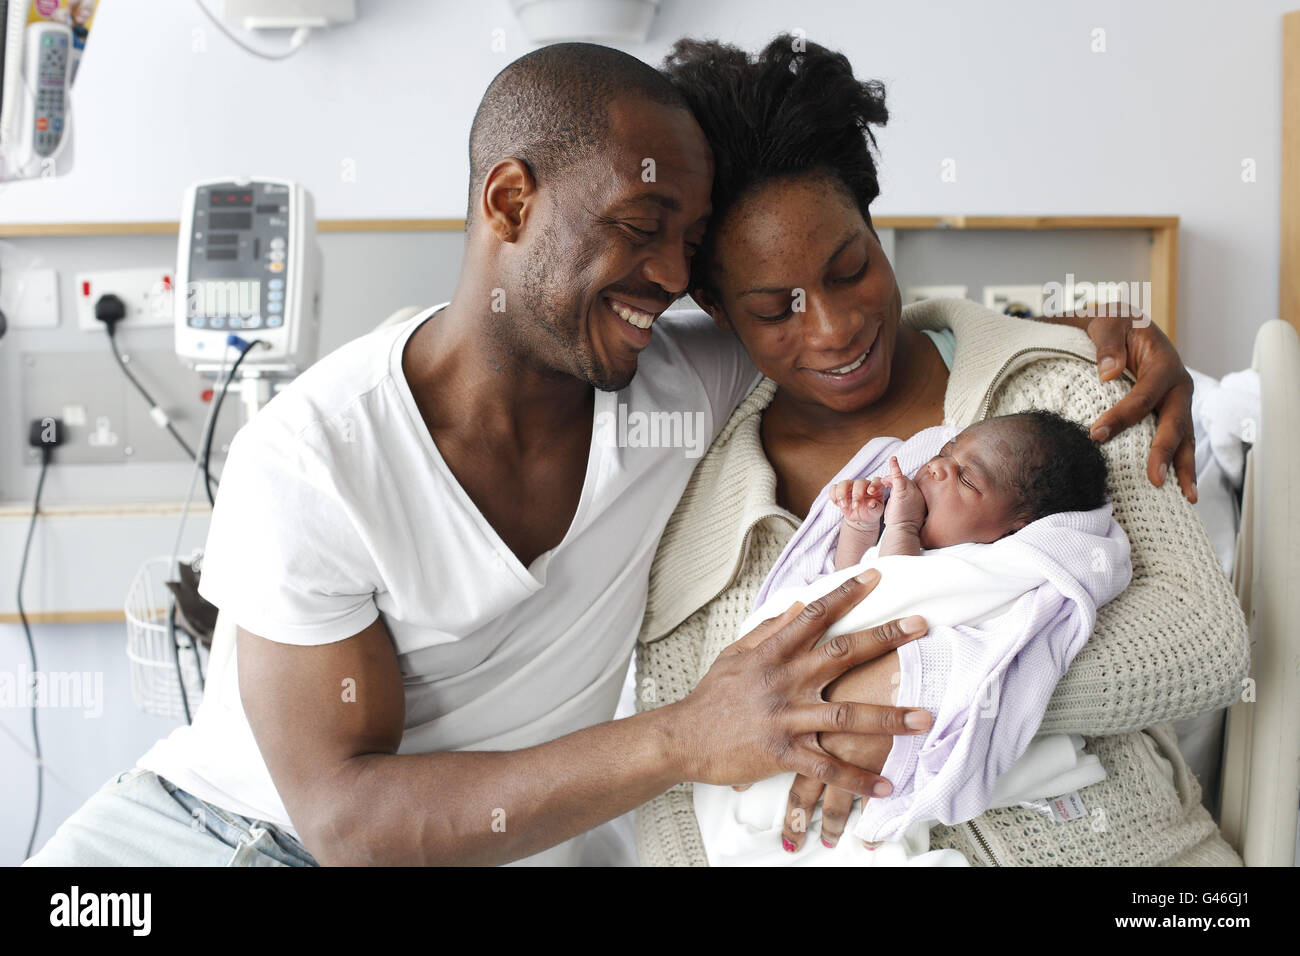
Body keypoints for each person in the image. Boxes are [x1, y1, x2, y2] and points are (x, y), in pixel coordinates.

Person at [25, 42, 934, 868]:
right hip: (201, 837)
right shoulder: (316, 459)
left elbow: (866, 336)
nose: (668, 277)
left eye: (688, 244)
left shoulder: (679, 390)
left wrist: (1065, 333)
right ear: (510, 201)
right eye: (639, 223)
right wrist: (688, 737)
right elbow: (347, 819)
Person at [635, 35, 1249, 866]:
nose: (835, 328)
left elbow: (1204, 644)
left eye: (851, 269)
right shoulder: (690, 509)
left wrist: (909, 687)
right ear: (712, 304)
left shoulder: (1058, 386)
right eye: (777, 309)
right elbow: (680, 801)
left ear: (874, 228)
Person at [693, 410, 1132, 866]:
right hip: (773, 729)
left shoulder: (981, 570)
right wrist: (862, 525)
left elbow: (898, 599)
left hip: (860, 759)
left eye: (965, 479)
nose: (937, 468)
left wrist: (901, 529)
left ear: (1013, 528)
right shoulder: (913, 537)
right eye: (944, 454)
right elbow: (848, 591)